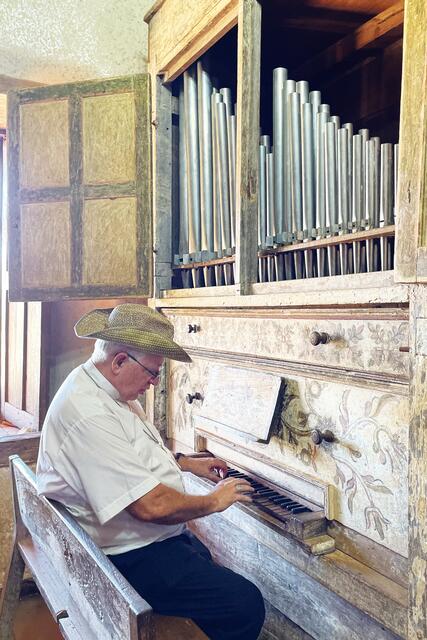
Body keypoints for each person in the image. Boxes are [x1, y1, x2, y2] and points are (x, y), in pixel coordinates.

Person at [36, 303, 265, 640]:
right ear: (118, 361)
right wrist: (212, 501)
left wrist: (182, 462)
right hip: (123, 557)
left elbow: (130, 454)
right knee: (245, 604)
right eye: (153, 372)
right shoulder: (89, 413)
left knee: (201, 556)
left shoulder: (104, 387)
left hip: (126, 542)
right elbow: (149, 507)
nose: (155, 382)